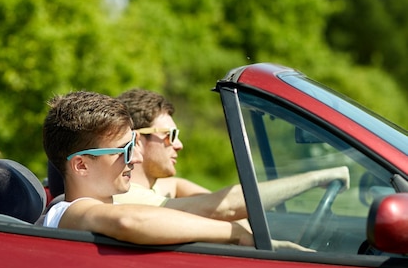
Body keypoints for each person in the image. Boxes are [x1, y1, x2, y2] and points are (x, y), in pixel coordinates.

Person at [42, 90, 309, 250]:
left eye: (134, 145)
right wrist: (234, 235)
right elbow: (131, 221)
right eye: (124, 150)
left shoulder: (101, 207)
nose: (134, 159)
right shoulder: (68, 211)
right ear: (81, 165)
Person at [113, 89, 350, 221]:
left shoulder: (163, 187)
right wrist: (315, 178)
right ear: (135, 140)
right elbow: (222, 206)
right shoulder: (125, 198)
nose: (179, 144)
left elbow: (222, 204)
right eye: (169, 135)